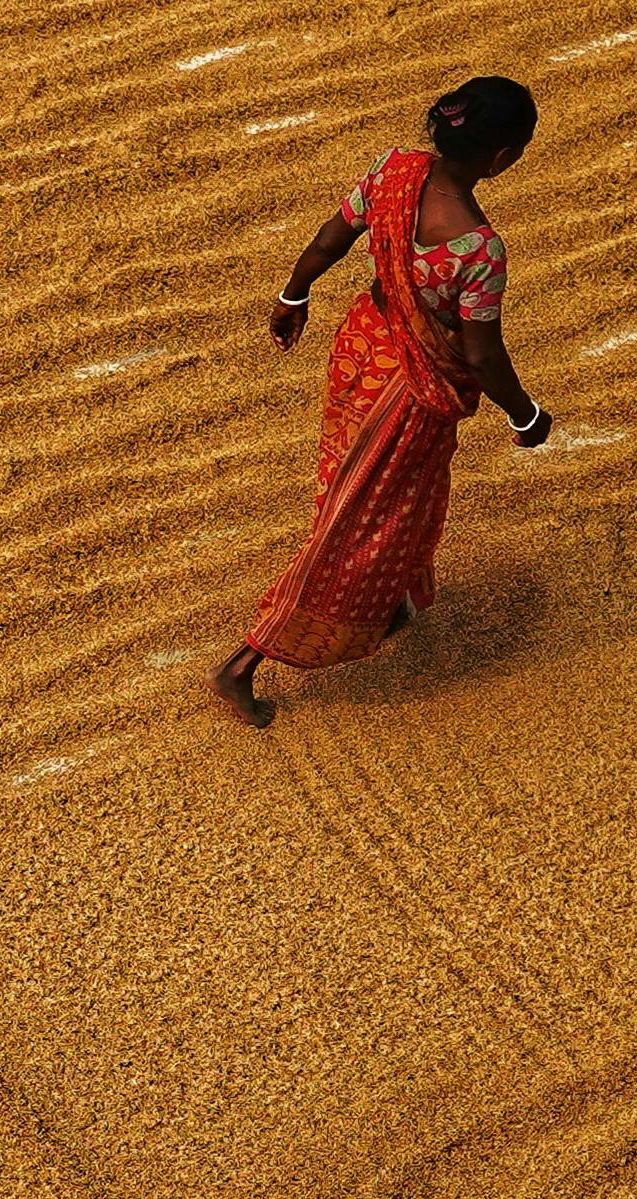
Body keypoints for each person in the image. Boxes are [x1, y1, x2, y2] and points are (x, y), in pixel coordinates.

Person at [215, 76, 558, 726]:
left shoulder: (393, 171)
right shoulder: (478, 252)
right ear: (502, 158)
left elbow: (330, 239)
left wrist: (294, 296)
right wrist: (526, 415)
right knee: (360, 522)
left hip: (362, 354)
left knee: (376, 495)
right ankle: (243, 664)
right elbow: (483, 356)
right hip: (406, 398)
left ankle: (393, 602)